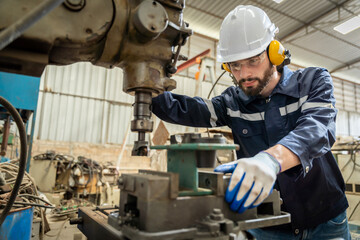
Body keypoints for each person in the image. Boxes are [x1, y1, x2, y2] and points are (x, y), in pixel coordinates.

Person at [152, 5, 350, 240]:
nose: (244, 73)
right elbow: (189, 110)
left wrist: (271, 160)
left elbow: (318, 128)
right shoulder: (232, 102)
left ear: (274, 53)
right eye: (235, 65)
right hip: (266, 226)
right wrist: (148, 88)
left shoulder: (313, 81)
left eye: (253, 60)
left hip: (325, 222)